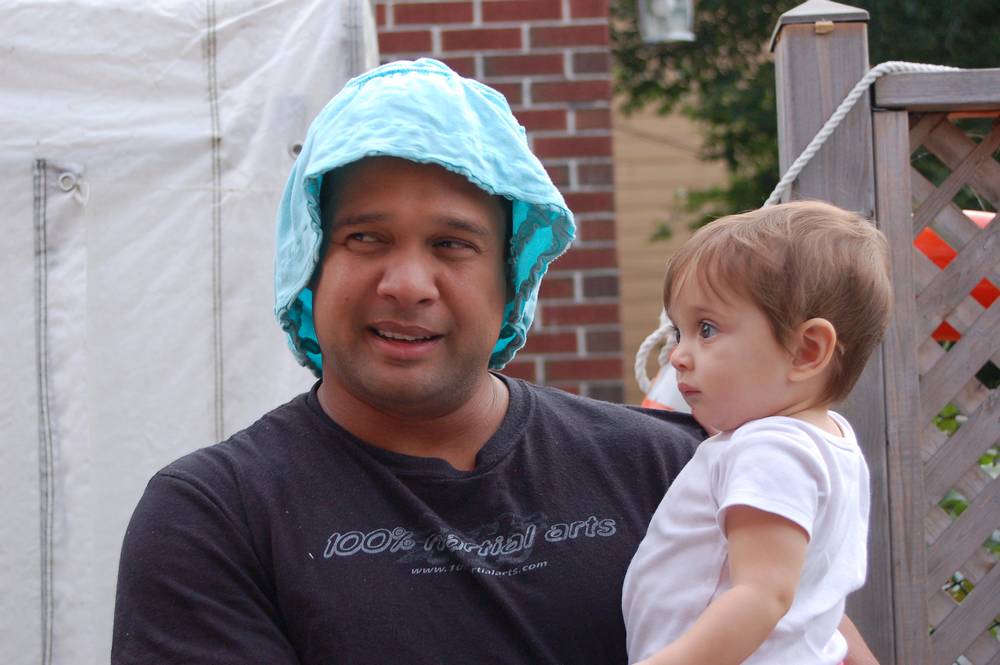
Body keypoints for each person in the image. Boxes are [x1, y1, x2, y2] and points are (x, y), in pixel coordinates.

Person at [111, 59, 878, 664]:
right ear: (308, 263)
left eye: (452, 244)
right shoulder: (214, 519)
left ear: (515, 277)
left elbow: (812, 638)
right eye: (366, 237)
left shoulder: (674, 468)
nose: (407, 283)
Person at [621, 201, 892, 665]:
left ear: (806, 351)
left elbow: (762, 595)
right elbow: (809, 597)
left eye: (707, 329)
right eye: (680, 333)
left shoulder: (770, 448)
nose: (679, 356)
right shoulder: (828, 440)